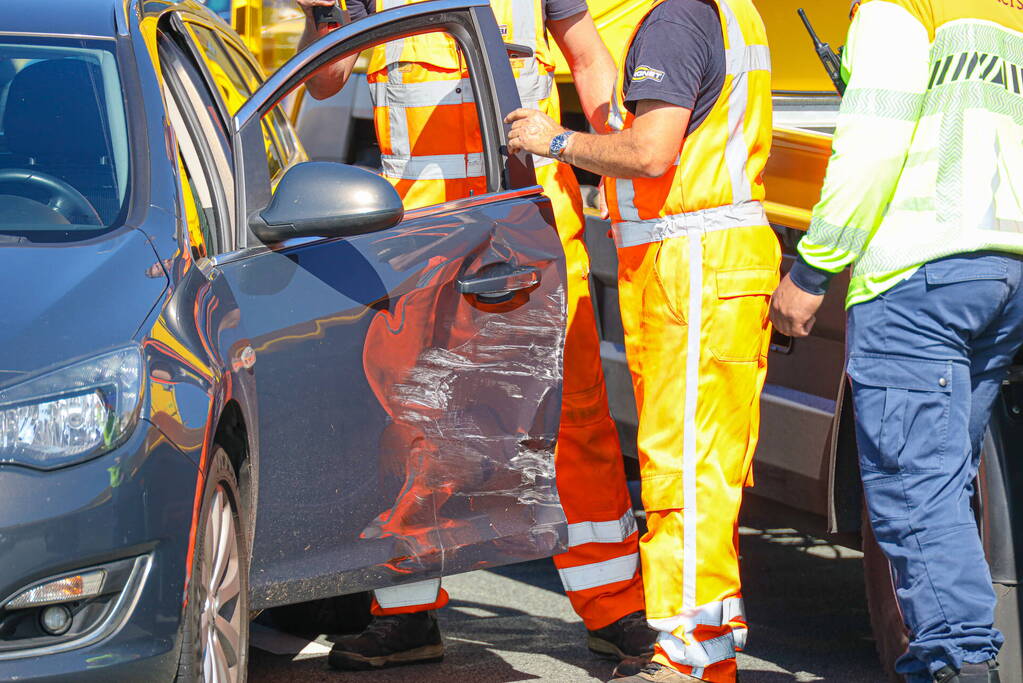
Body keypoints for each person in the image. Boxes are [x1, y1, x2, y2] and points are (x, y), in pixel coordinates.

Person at [294, 0, 656, 671]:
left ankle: (616, 611)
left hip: (530, 227)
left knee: (570, 419)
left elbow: (588, 60)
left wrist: (615, 153)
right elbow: (326, 77)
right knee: (414, 424)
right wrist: (321, 18)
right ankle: (404, 615)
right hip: (422, 239)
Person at [507, 0, 775, 680]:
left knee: (685, 473)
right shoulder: (720, 12)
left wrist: (556, 142)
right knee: (698, 469)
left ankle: (688, 660)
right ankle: (699, 650)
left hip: (693, 261)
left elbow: (651, 153)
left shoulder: (673, 20)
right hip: (700, 258)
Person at [770, 1, 1023, 681]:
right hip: (1001, 273)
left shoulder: (898, 10)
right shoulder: (1004, 16)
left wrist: (813, 268)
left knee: (915, 489)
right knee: (945, 480)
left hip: (917, 278)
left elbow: (873, 146)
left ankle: (958, 663)